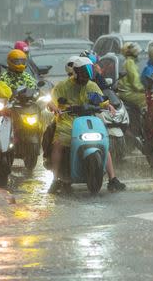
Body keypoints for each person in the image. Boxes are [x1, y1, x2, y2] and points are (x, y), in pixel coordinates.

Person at [48, 57, 126, 194]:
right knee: (58, 144)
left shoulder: (92, 86)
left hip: (88, 119)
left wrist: (108, 106)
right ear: (76, 72)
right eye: (83, 74)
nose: (86, 78)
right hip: (67, 120)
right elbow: (51, 102)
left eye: (88, 74)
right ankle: (55, 179)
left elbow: (101, 100)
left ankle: (113, 179)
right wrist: (54, 107)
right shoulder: (62, 86)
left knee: (103, 143)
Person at [117, 42, 146, 109]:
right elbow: (135, 83)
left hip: (126, 92)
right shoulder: (130, 62)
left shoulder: (129, 62)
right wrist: (144, 89)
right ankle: (143, 119)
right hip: (128, 93)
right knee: (147, 98)